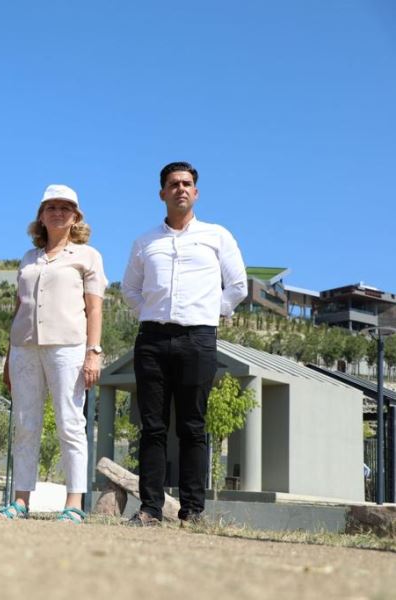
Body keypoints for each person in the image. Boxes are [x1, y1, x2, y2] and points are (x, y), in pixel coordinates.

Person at [121, 162, 247, 525]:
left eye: (187, 184)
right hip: (152, 339)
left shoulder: (217, 236)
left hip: (198, 338)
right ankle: (150, 509)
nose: (180, 189)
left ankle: (193, 511)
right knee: (152, 426)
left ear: (196, 193)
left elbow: (237, 286)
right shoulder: (145, 241)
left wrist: (210, 312)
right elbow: (129, 289)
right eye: (173, 184)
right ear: (162, 192)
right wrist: (149, 311)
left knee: (193, 425)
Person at [0, 185, 107, 524]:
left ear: (76, 217)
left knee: (70, 423)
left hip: (68, 348)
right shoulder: (28, 260)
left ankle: (73, 503)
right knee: (25, 424)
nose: (58, 212)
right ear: (41, 216)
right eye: (51, 207)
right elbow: (19, 307)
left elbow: (94, 309)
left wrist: (93, 352)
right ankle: (20, 501)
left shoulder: (88, 256)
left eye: (66, 207)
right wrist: (7, 357)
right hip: (24, 348)